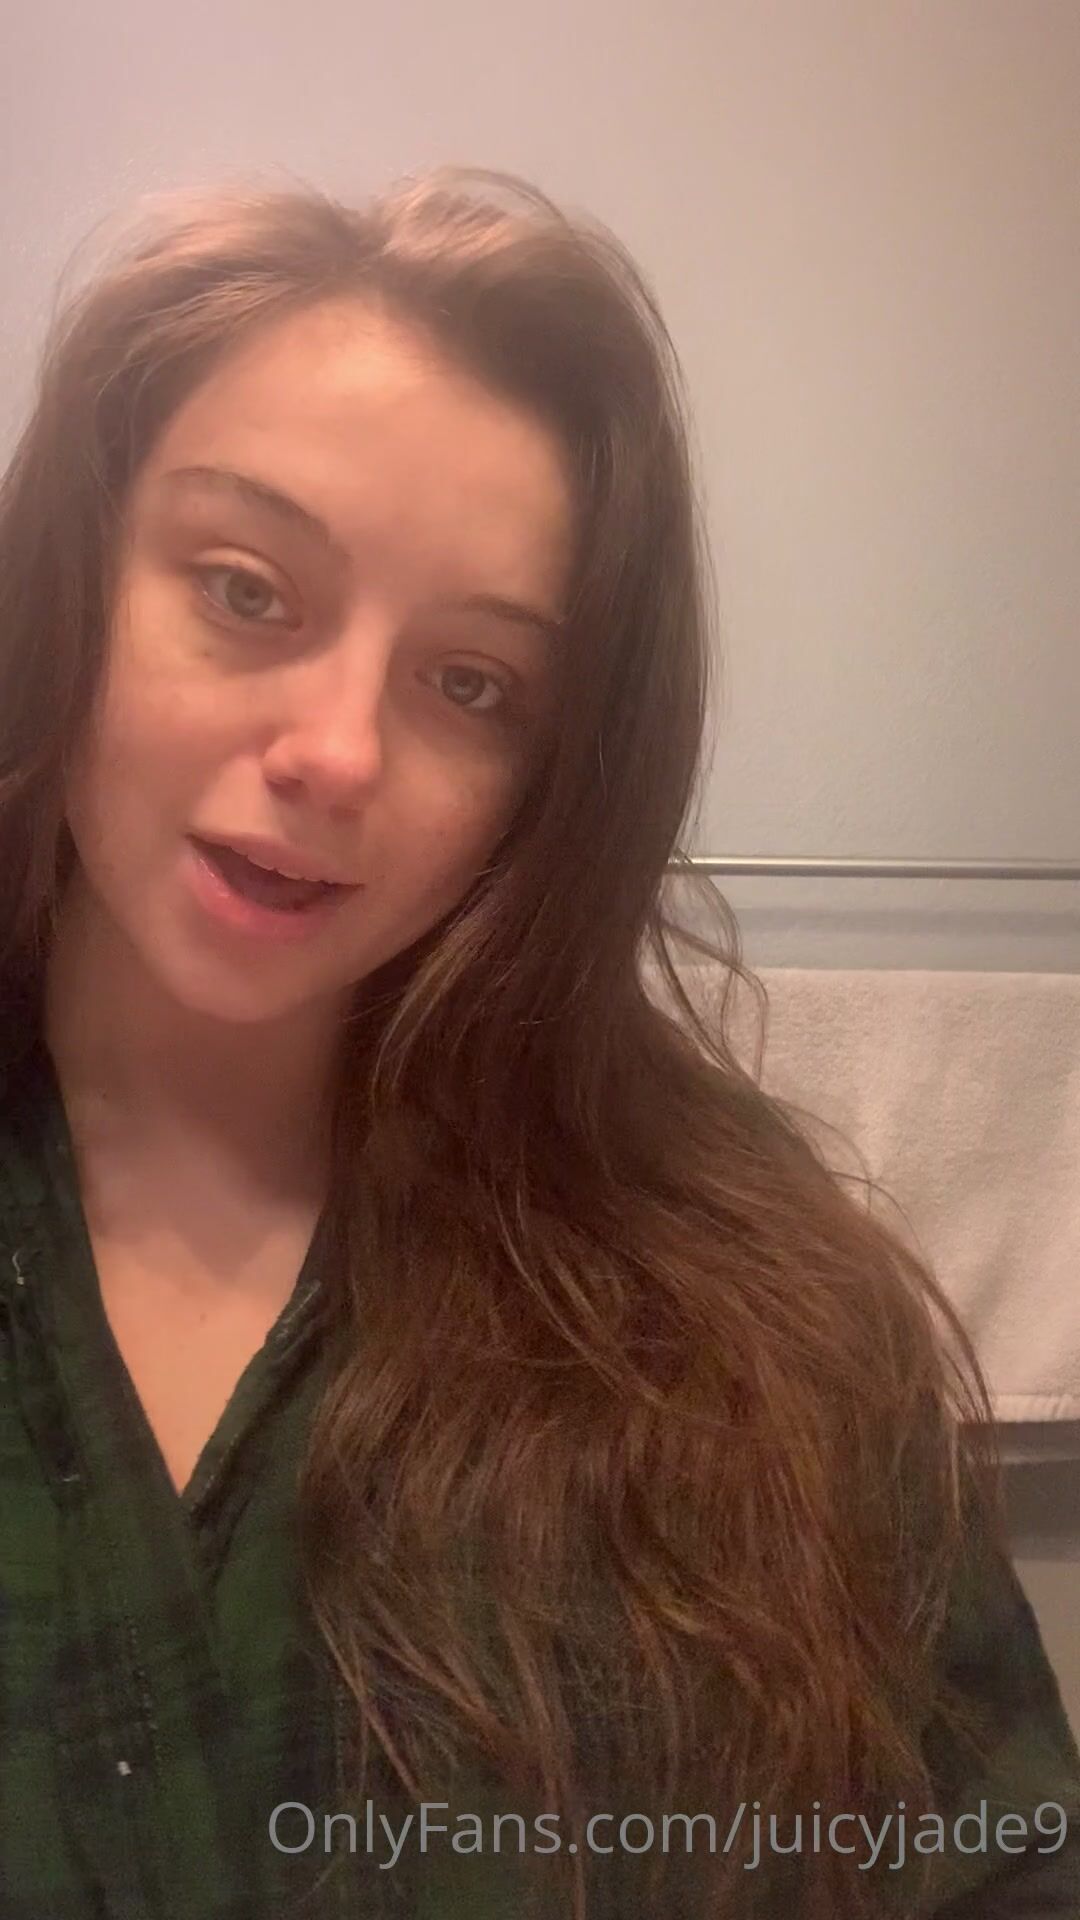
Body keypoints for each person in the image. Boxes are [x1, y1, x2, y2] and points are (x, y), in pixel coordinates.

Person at [0, 165, 1076, 1920]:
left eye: (471, 684)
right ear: (73, 573)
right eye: (248, 590)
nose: (339, 751)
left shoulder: (757, 1323)